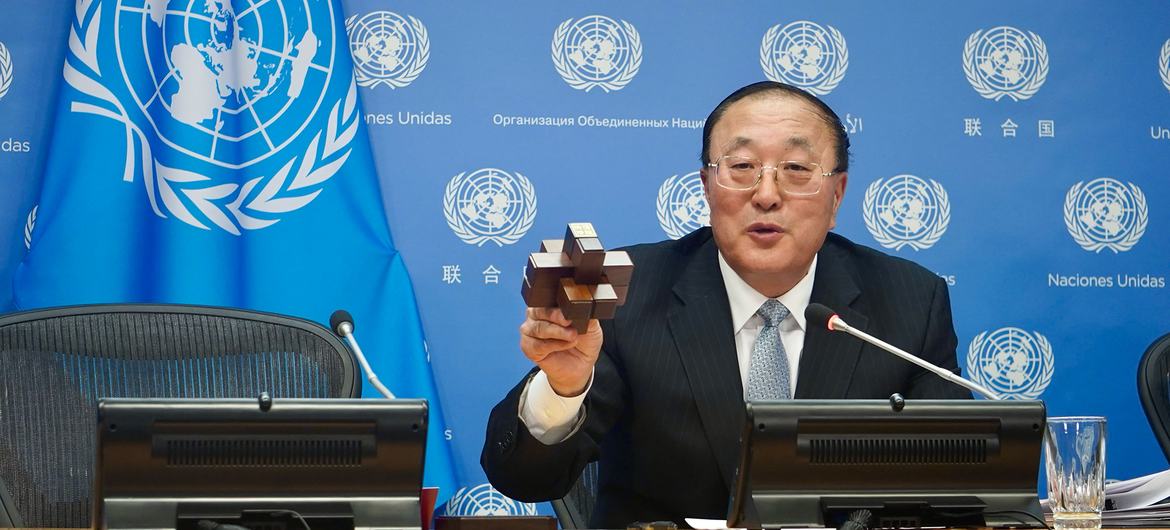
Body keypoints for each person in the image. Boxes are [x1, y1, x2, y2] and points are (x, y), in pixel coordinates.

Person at [481, 81, 970, 527]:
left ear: (837, 195)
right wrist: (564, 388)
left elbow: (956, 486)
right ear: (707, 187)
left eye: (796, 170)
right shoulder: (629, 292)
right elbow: (523, 478)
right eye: (742, 168)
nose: (767, 195)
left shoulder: (908, 300)